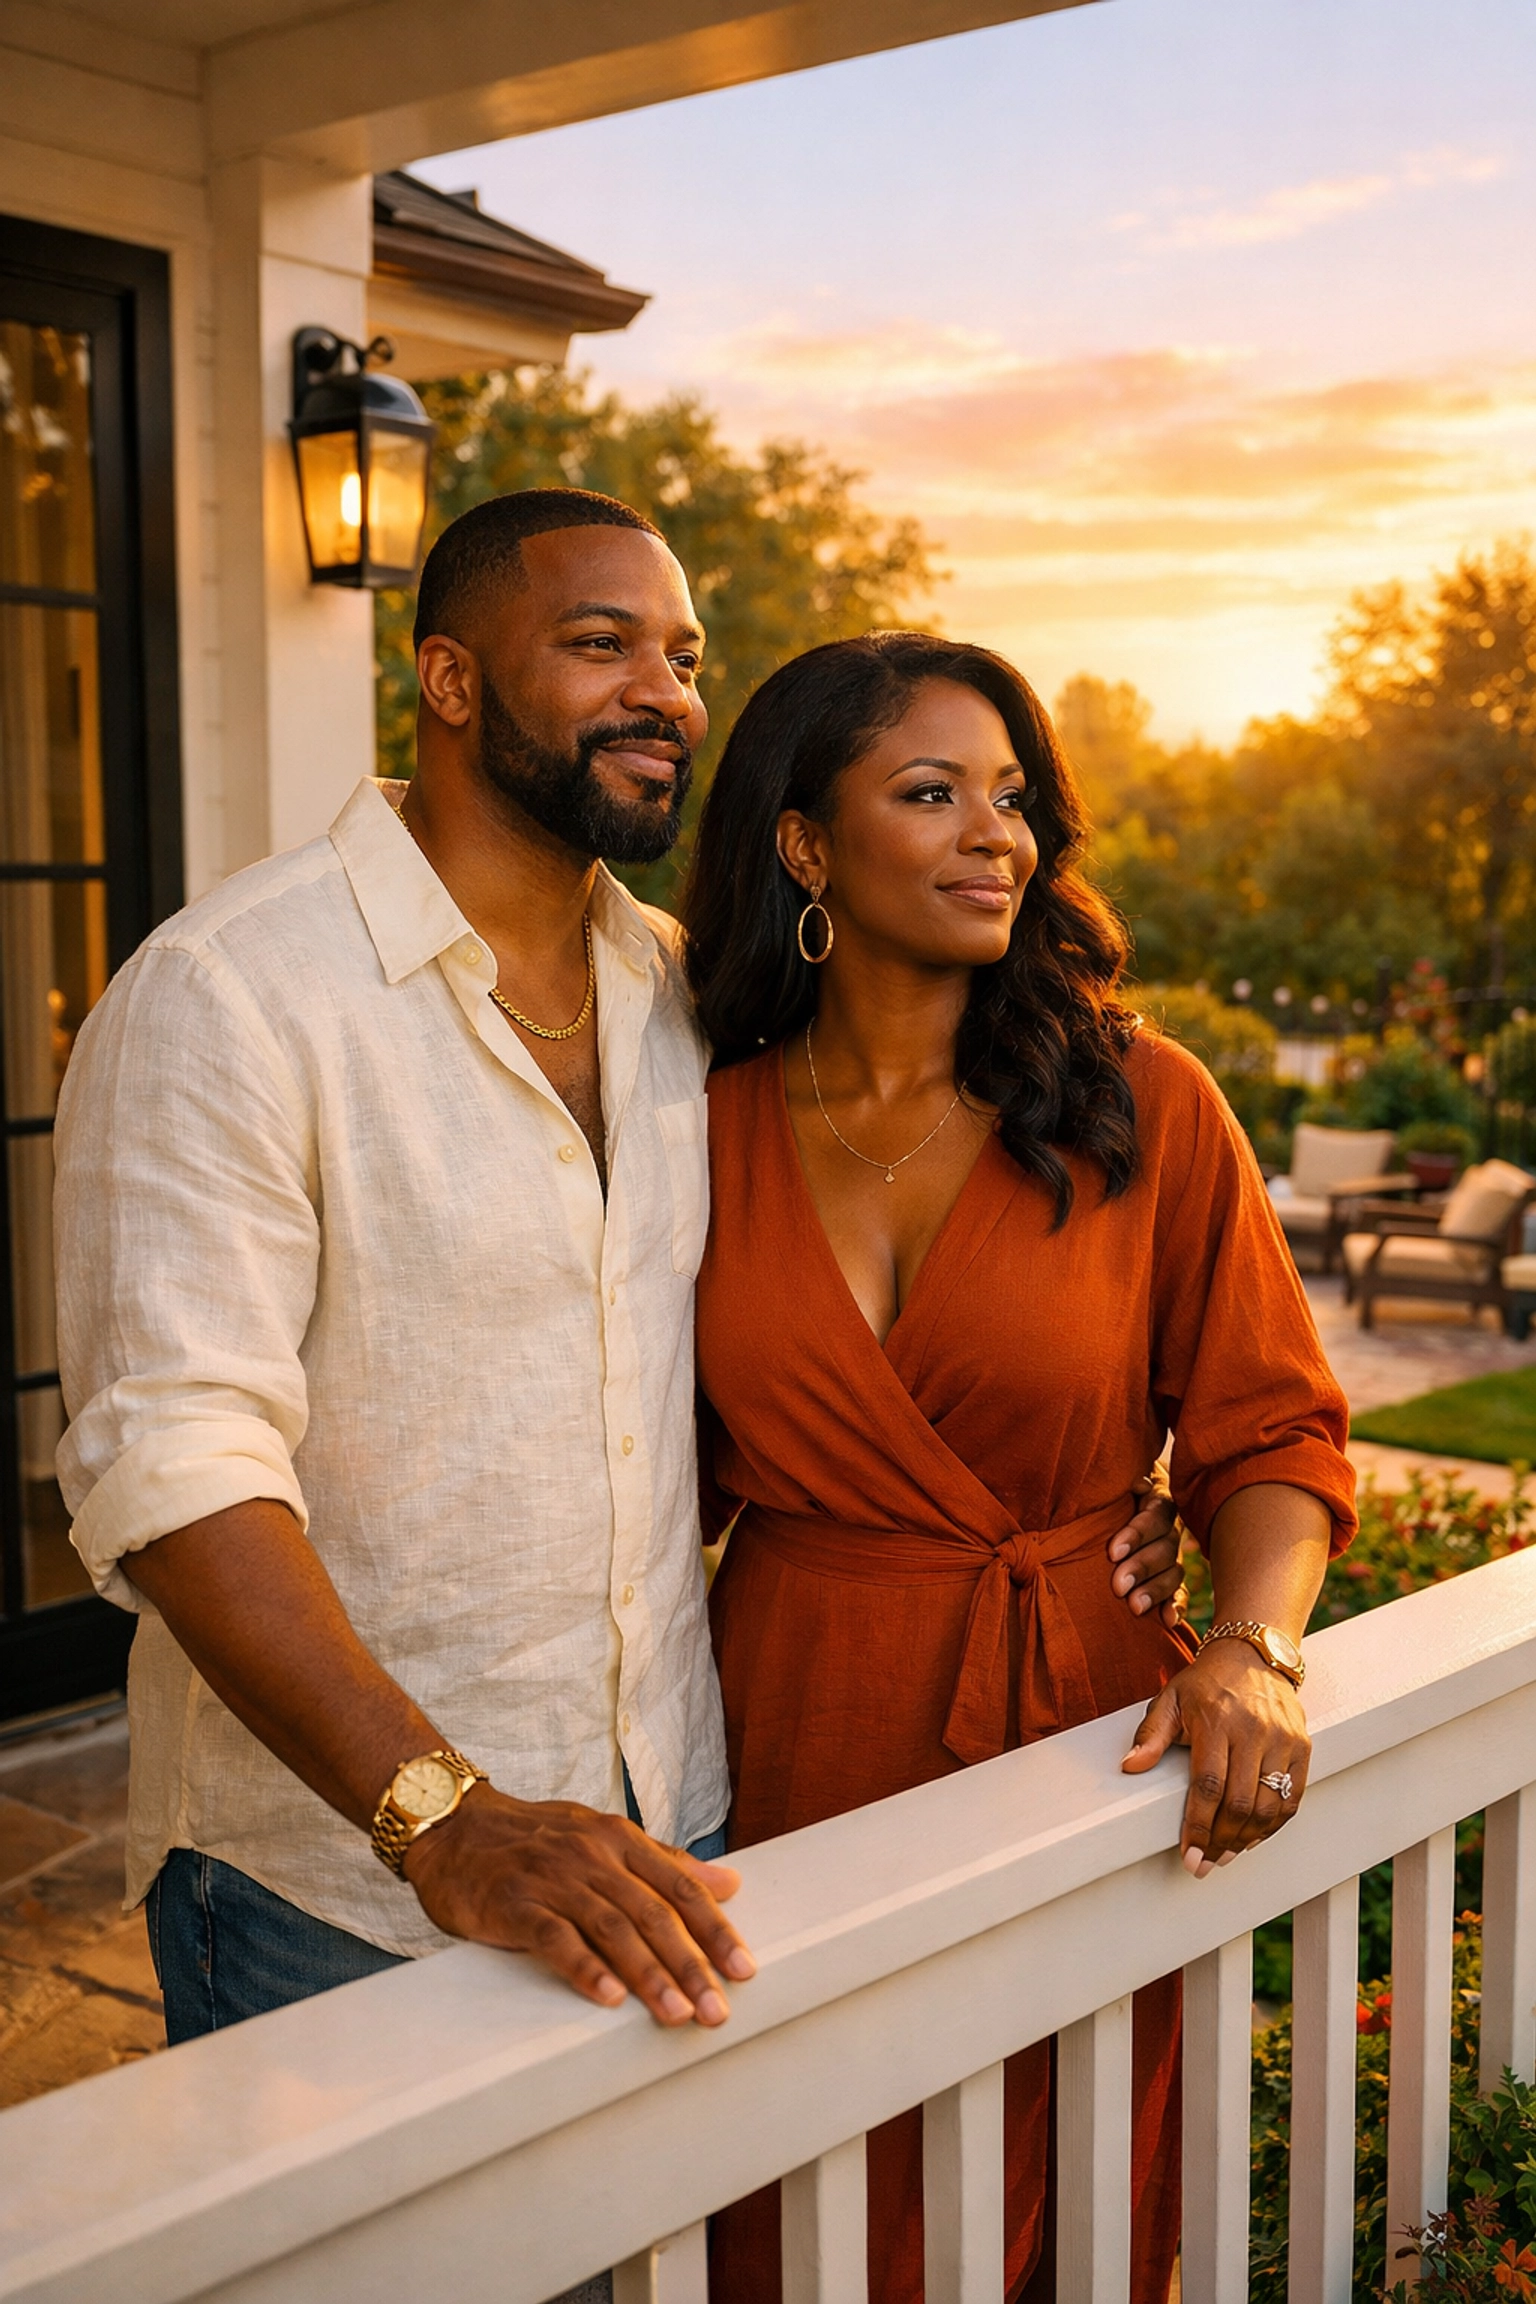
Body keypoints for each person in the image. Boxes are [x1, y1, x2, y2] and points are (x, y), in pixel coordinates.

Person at [53, 486, 1180, 2055]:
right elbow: (173, 1473)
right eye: (602, 644)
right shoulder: (229, 998)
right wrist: (443, 1820)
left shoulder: (681, 995)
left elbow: (776, 1343)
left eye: (686, 653)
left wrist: (1079, 1499)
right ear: (449, 679)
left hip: (677, 1829)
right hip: (342, 1887)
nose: (667, 693)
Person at [680, 632, 1356, 2304]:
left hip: (1084, 1743)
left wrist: (1253, 1645)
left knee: (1066, 2211)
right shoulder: (699, 1123)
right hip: (796, 1736)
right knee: (812, 2207)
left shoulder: (1145, 1106)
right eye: (931, 794)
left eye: (1011, 799)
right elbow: (644, 1467)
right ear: (805, 846)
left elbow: (1272, 1430)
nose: (997, 835)